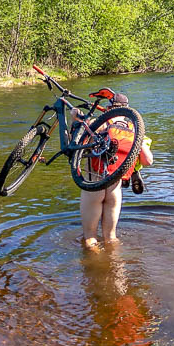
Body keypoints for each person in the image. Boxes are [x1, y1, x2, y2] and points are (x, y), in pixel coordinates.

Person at [71, 92, 153, 249]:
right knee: (111, 237)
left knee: (90, 239)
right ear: (127, 109)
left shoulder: (99, 123)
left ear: (108, 108)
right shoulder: (134, 129)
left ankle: (96, 270)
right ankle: (117, 270)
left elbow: (74, 144)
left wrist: (75, 117)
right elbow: (148, 160)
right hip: (115, 187)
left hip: (94, 184)